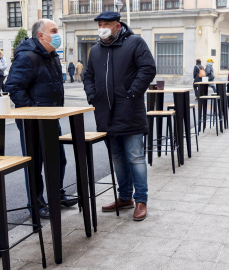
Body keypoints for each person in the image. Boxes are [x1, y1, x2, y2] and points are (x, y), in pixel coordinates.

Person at [84, 11, 156, 221]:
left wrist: (132, 93)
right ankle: (125, 197)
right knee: (117, 157)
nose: (102, 28)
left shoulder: (135, 43)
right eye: (99, 25)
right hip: (106, 114)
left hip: (130, 111)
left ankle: (141, 199)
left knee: (134, 157)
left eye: (106, 24)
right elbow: (88, 76)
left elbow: (148, 68)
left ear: (117, 25)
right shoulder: (96, 50)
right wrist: (92, 96)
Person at [5, 19, 77, 219]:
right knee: (35, 163)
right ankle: (36, 204)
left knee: (58, 159)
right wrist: (33, 110)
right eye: (53, 31)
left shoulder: (51, 56)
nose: (57, 34)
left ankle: (57, 194)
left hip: (51, 117)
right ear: (41, 35)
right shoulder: (27, 57)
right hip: (32, 121)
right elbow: (13, 87)